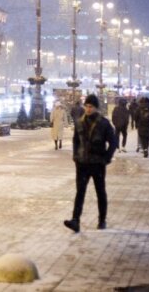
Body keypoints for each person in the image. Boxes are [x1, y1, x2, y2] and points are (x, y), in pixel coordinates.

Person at [64, 94, 117, 233]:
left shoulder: (103, 123)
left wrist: (106, 158)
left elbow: (113, 142)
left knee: (100, 192)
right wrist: (75, 155)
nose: (88, 109)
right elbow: (76, 140)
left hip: (97, 163)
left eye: (91, 107)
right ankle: (75, 220)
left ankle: (102, 220)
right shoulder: (80, 122)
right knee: (80, 192)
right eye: (86, 106)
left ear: (96, 108)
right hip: (82, 163)